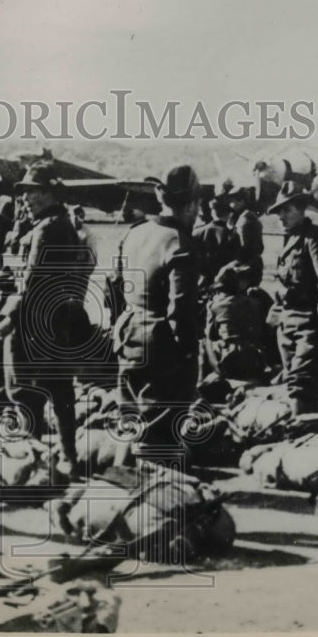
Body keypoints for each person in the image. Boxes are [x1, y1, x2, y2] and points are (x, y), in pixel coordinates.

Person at [0, 161, 92, 478]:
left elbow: (33, 280)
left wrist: (9, 317)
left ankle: (41, 457)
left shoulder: (49, 229)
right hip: (47, 317)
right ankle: (60, 456)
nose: (25, 198)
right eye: (23, 193)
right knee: (51, 387)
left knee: (28, 389)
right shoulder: (48, 225)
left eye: (31, 192)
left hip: (35, 319)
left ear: (48, 193)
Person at [113, 164, 200, 472]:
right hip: (162, 351)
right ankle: (155, 493)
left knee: (129, 425)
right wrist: (188, 356)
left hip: (127, 339)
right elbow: (180, 312)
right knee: (159, 441)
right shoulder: (180, 242)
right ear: (192, 204)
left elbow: (115, 286)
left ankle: (117, 486)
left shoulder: (135, 233)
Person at [267, 182, 318, 415]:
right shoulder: (290, 239)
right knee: (293, 382)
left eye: (287, 210)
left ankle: (303, 428)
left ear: (301, 210)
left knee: (302, 384)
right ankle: (299, 426)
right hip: (287, 324)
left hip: (309, 324)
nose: (281, 216)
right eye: (279, 211)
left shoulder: (315, 239)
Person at [203, 261, 269, 383]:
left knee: (205, 341)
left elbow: (211, 335)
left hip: (229, 362)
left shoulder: (214, 306)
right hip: (255, 360)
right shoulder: (254, 303)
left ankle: (205, 376)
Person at [191, 195, 236, 292]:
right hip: (222, 283)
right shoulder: (230, 234)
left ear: (212, 212)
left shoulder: (197, 232)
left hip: (199, 282)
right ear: (229, 214)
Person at [228, 188, 264, 286]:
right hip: (252, 264)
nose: (230, 204)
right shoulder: (248, 215)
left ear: (241, 201)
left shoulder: (245, 219)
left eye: (232, 201)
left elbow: (245, 249)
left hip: (246, 268)